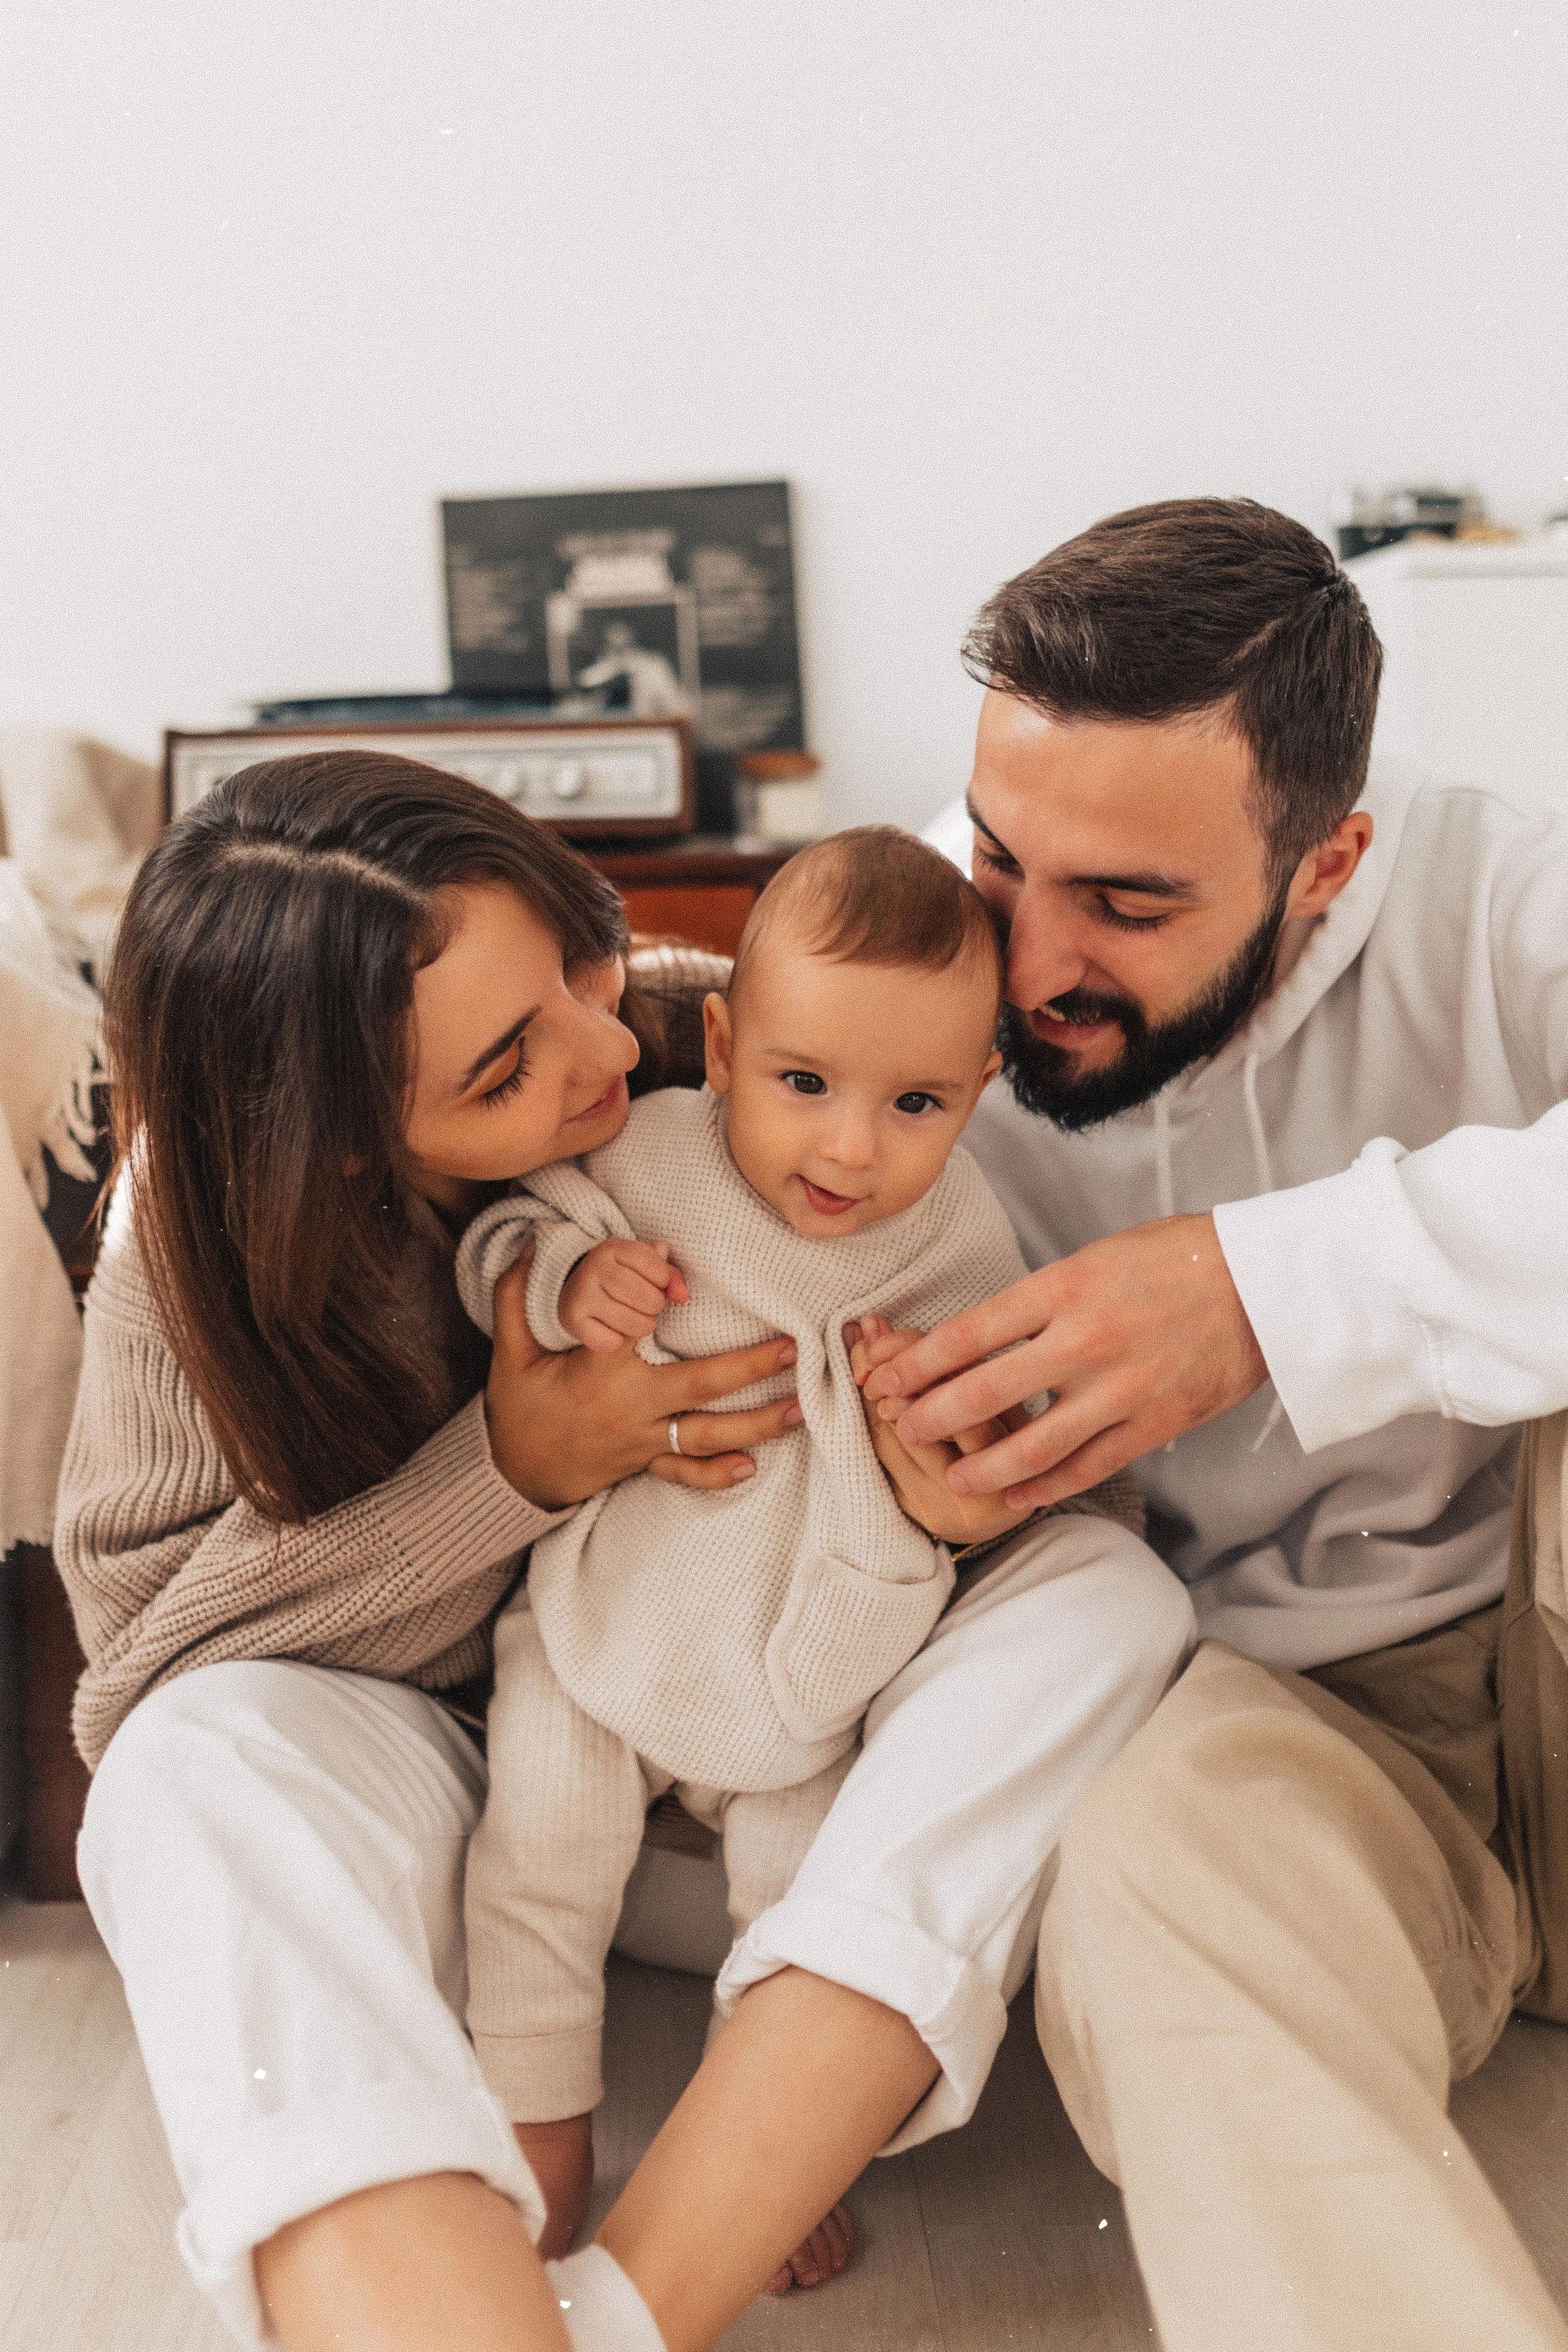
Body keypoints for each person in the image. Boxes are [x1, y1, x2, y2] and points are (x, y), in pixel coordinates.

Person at [54, 750, 812, 2352]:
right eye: (504, 1068)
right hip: (465, 1800)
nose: (610, 1047)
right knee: (189, 1774)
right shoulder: (194, 1239)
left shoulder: (714, 1034)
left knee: (1096, 1615)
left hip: (771, 1766)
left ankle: (765, 2126)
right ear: (339, 1140)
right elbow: (139, 1680)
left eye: (579, 962)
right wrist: (511, 1471)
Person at [450, 826, 1168, 2251]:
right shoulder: (648, 1154)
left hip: (809, 1663)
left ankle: (771, 2157)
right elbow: (499, 1240)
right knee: (535, 1864)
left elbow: (1015, 1430)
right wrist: (562, 1282)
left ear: (976, 1092)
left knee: (795, 1905)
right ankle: (535, 2131)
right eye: (802, 1085)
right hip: (606, 1618)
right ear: (721, 1050)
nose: (849, 1147)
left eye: (914, 1103)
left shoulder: (959, 1238)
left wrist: (965, 1430)